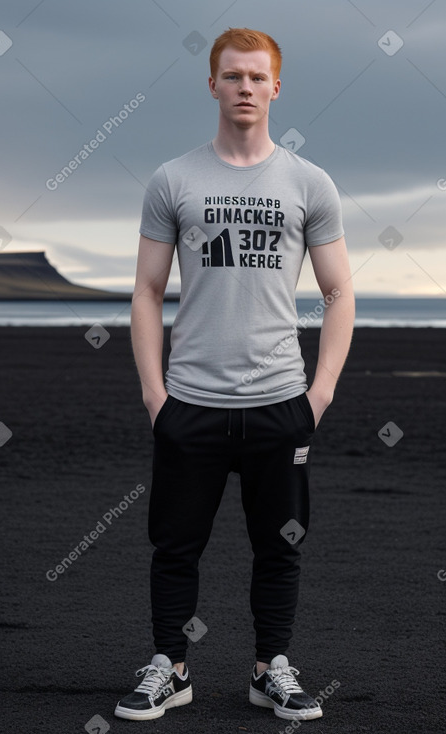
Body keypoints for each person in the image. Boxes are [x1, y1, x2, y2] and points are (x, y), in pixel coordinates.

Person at [115, 27, 355, 722]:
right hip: (188, 402)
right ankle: (171, 667)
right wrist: (154, 396)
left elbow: (339, 292)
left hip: (280, 403)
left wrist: (320, 394)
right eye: (231, 76)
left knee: (279, 546)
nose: (244, 87)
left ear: (275, 88)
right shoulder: (174, 179)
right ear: (212, 85)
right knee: (173, 545)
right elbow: (145, 291)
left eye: (256, 77)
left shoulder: (308, 183)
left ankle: (268, 670)